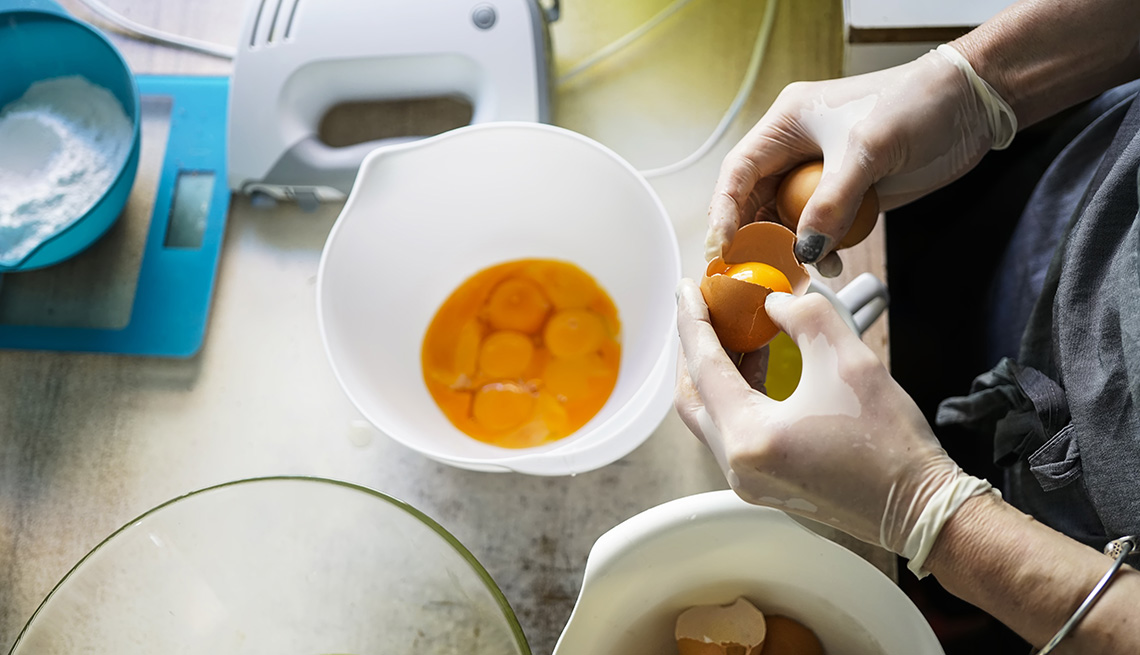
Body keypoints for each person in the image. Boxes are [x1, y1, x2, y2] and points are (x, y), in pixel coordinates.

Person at [674, 0, 1140, 651]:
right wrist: (983, 77)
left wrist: (937, 523)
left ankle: (967, 603)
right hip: (1088, 207)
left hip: (1093, 539)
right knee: (977, 311)